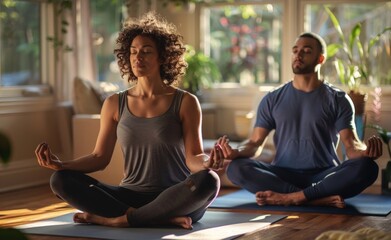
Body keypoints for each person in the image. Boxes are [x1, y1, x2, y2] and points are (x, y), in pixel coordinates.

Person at [35, 12, 223, 229]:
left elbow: (193, 157)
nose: (137, 57)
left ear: (162, 57)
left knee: (209, 180)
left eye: (146, 51)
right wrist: (62, 165)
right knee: (60, 180)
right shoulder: (115, 103)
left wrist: (207, 163)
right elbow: (99, 157)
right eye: (133, 52)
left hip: (175, 197)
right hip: (128, 196)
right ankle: (152, 218)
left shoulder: (185, 102)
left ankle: (116, 220)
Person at [215, 32, 383, 208]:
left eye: (306, 51)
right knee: (236, 168)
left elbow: (351, 145)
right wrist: (236, 151)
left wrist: (366, 152)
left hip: (324, 175)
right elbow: (255, 143)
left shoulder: (338, 99)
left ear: (320, 59)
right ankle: (312, 198)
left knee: (367, 168)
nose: (298, 55)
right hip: (282, 175)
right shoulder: (272, 98)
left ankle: (291, 198)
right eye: (295, 50)